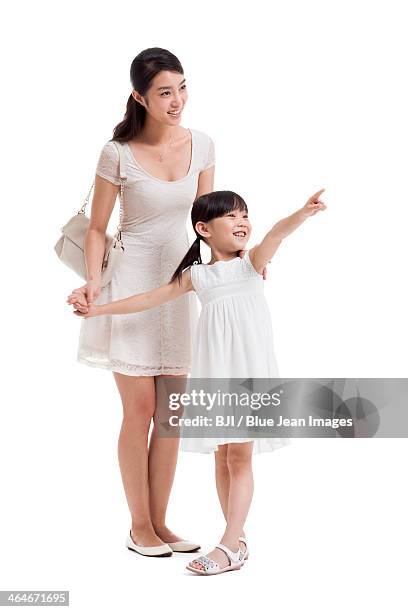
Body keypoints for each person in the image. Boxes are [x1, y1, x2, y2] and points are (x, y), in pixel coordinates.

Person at [71, 188, 327, 574]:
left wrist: (302, 213)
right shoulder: (197, 276)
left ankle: (229, 545)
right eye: (231, 216)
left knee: (239, 457)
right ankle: (236, 539)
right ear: (203, 229)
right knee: (223, 457)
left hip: (247, 374)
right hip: (215, 375)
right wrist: (99, 311)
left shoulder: (251, 265)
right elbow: (148, 299)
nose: (242, 222)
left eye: (244, 215)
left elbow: (275, 233)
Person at [67, 47, 218, 558]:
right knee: (141, 408)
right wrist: (92, 282)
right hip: (129, 281)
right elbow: (95, 228)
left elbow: (207, 222)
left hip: (178, 285)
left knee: (172, 411)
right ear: (140, 97)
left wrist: (236, 263)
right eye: (164, 92)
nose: (177, 101)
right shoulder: (118, 152)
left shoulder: (203, 145)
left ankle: (161, 521)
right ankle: (139, 527)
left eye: (181, 88)